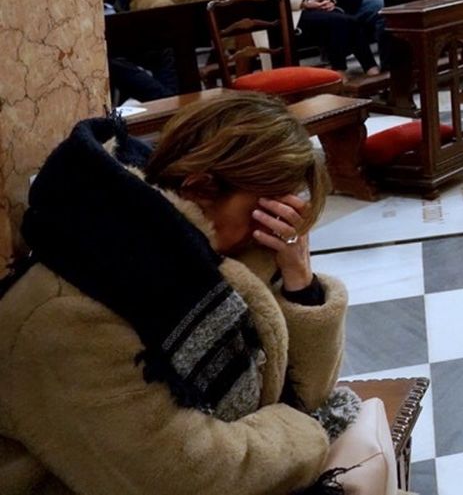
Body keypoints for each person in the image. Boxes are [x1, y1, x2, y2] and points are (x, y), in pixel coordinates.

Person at [0, 94, 355, 494]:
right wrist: (302, 431)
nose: (271, 235)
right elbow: (182, 478)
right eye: (263, 211)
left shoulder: (191, 266)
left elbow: (306, 391)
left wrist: (299, 281)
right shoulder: (68, 313)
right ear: (201, 188)